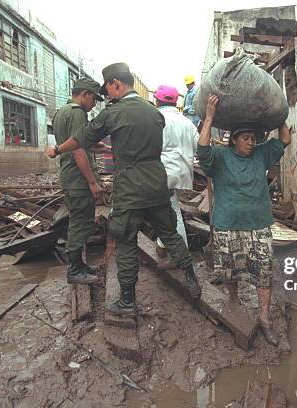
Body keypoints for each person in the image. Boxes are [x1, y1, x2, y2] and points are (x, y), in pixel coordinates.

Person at [46, 63, 202, 316]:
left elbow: (82, 138)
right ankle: (191, 276)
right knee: (170, 233)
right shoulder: (154, 113)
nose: (107, 96)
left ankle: (127, 300)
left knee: (126, 241)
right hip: (156, 183)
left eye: (108, 90)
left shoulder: (113, 113)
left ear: (116, 83)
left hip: (130, 188)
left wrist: (57, 149)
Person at [197, 94, 291, 346]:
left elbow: (285, 139)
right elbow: (202, 149)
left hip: (259, 225)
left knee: (264, 273)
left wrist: (280, 114)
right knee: (230, 271)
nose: (251, 143)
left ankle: (264, 318)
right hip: (227, 225)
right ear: (234, 140)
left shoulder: (262, 154)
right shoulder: (220, 158)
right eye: (246, 139)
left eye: (253, 138)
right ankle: (234, 300)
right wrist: (209, 117)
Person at [52, 77, 105, 285]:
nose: (93, 105)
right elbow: (78, 149)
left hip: (70, 175)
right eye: (94, 100)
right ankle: (74, 270)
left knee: (79, 220)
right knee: (81, 223)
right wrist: (92, 182)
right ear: (85, 95)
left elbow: (77, 142)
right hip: (78, 178)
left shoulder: (62, 112)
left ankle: (79, 265)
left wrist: (104, 148)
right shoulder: (77, 113)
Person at [153, 85, 199, 260]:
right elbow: (199, 147)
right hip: (182, 174)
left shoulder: (155, 119)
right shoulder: (186, 122)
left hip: (163, 173)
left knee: (172, 212)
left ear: (157, 101)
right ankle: (162, 244)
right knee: (167, 209)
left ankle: (180, 255)